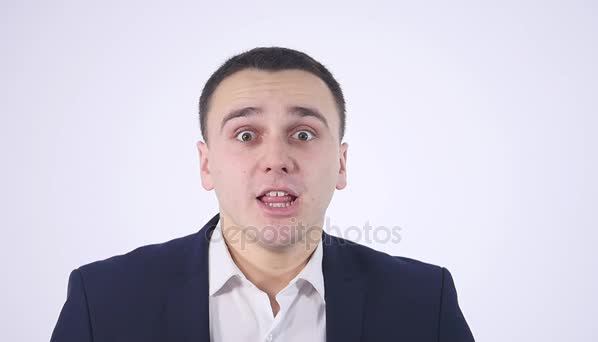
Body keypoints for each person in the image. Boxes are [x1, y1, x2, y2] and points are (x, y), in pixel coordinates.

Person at [51, 47, 475, 341]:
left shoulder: (424, 301)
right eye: (246, 134)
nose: (276, 159)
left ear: (341, 163)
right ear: (206, 164)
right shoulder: (103, 298)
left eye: (303, 134)